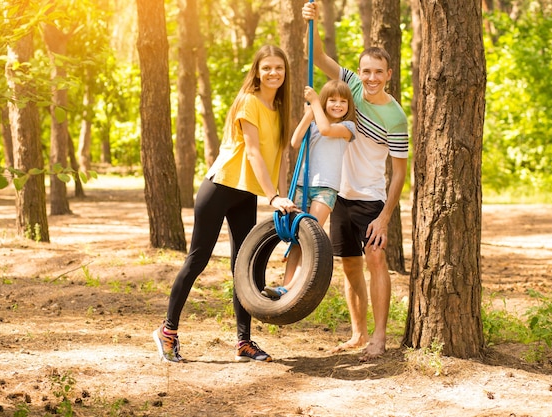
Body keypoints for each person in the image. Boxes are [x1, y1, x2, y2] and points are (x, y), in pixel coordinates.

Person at [152, 44, 298, 363]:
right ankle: (167, 332)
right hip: (221, 187)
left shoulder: (281, 108)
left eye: (279, 68)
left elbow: (281, 158)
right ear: (257, 71)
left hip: (246, 192)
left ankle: (244, 343)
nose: (274, 73)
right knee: (197, 260)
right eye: (268, 67)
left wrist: (282, 195)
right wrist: (272, 195)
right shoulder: (248, 102)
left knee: (242, 267)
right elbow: (253, 153)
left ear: (286, 74)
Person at [303, 1, 409, 361]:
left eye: (378, 72)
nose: (371, 78)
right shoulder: (349, 84)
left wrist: (385, 216)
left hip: (370, 199)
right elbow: (317, 58)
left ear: (388, 74)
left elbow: (399, 173)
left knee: (375, 260)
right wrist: (312, 22)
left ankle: (379, 338)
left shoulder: (396, 118)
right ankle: (358, 333)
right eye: (366, 71)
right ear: (359, 71)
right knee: (349, 266)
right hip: (338, 194)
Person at [262, 80, 356, 299]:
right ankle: (284, 290)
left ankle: (293, 288)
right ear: (325, 102)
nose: (337, 105)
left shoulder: (348, 128)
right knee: (297, 238)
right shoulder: (314, 123)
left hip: (326, 188)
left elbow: (326, 129)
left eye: (343, 101)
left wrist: (315, 103)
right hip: (304, 186)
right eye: (332, 100)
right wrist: (309, 113)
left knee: (310, 236)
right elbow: (295, 142)